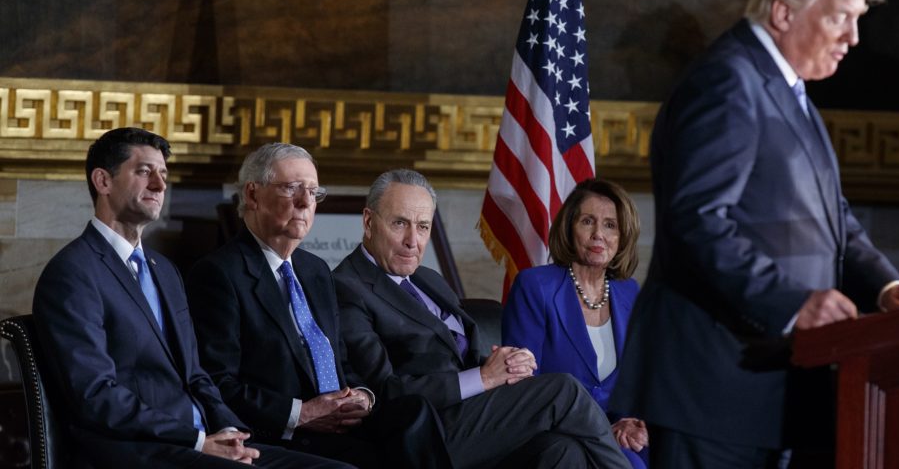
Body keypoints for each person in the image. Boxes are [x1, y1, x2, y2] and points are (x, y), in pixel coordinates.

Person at [609, 0, 899, 468]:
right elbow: (698, 220)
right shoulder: (726, 82)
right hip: (716, 385)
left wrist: (886, 287)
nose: (853, 39)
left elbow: (835, 222)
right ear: (784, 12)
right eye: (840, 18)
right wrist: (792, 302)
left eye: (857, 21)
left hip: (771, 388)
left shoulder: (787, 89)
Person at [31, 127, 346, 468]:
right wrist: (197, 440)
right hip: (137, 450)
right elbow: (95, 394)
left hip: (203, 442)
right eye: (144, 172)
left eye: (163, 174)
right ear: (103, 181)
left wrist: (230, 431)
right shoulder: (73, 273)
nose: (160, 185)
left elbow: (197, 375)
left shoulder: (164, 270)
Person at [332, 169, 631, 469]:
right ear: (369, 222)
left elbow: (462, 356)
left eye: (423, 227)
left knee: (564, 450)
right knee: (563, 390)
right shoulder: (347, 287)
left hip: (471, 419)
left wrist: (505, 364)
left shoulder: (428, 279)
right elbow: (385, 391)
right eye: (400, 223)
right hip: (422, 431)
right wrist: (485, 378)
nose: (413, 240)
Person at [186, 143, 452, 468]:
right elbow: (217, 383)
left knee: (414, 412)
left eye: (312, 192)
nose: (304, 202)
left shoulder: (315, 270)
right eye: (291, 189)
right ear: (253, 196)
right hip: (285, 431)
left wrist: (362, 396)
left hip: (340, 420)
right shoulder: (218, 274)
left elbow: (340, 360)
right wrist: (302, 414)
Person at [502, 178, 649, 468]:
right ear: (569, 228)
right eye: (587, 221)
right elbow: (524, 386)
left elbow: (638, 379)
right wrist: (598, 430)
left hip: (614, 432)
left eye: (610, 225)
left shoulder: (628, 291)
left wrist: (632, 421)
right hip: (557, 430)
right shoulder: (535, 286)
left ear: (623, 237)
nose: (598, 234)